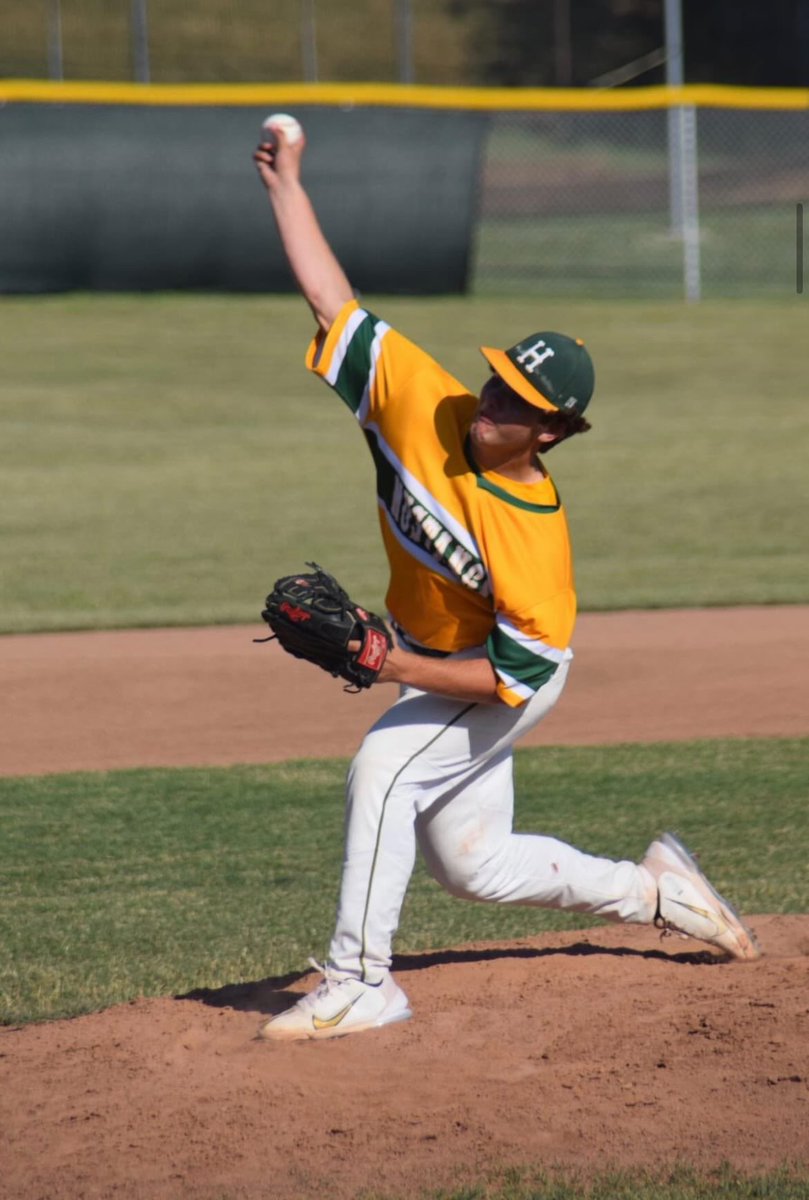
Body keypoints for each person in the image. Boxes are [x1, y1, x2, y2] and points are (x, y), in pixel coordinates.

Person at [252, 122, 759, 1041]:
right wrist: (285, 185)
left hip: (501, 669)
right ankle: (655, 893)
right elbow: (335, 304)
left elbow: (504, 681)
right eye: (494, 385)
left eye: (516, 405)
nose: (491, 406)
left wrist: (384, 663)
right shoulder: (425, 401)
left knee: (383, 768)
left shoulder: (533, 541)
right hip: (441, 657)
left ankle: (364, 980)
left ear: (553, 432)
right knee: (473, 866)